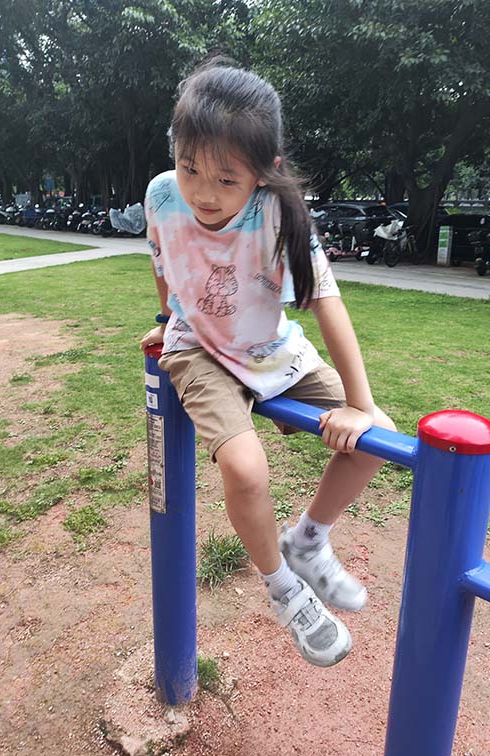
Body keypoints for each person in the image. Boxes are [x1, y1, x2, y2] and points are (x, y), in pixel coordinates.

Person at [140, 60, 396, 668]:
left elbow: (327, 302)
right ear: (175, 151)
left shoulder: (280, 215)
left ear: (264, 171)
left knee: (379, 437)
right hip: (198, 348)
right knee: (246, 468)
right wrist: (166, 319)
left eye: (226, 178)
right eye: (189, 167)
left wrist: (359, 405)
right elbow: (164, 261)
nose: (203, 192)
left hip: (270, 350)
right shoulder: (161, 194)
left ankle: (308, 539)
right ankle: (284, 588)